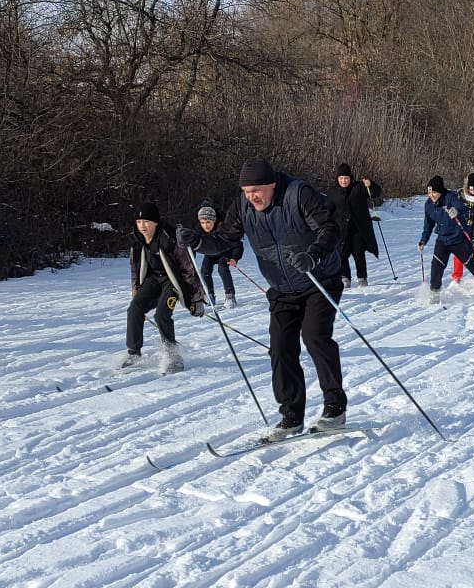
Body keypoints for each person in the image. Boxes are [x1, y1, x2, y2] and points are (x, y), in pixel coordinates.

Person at [177, 156, 347, 440]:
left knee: (315, 337)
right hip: (281, 287)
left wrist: (313, 255)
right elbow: (223, 239)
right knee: (280, 347)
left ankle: (334, 408)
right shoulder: (243, 206)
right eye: (246, 191)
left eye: (256, 191)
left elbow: (329, 228)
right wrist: (197, 241)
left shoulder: (298, 194)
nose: (251, 197)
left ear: (272, 185)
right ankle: (291, 416)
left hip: (319, 278)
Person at [124, 202, 206, 374]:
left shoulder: (169, 237)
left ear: (155, 222)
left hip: (172, 282)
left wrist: (196, 298)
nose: (142, 226)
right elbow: (134, 269)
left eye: (146, 222)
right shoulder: (136, 241)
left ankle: (173, 357)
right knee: (134, 310)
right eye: (139, 222)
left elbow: (188, 269)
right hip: (152, 280)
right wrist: (136, 293)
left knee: (161, 314)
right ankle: (133, 354)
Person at [418, 175, 474, 304]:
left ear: (440, 191)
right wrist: (423, 240)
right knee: (436, 267)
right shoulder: (429, 205)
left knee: (471, 263)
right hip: (442, 240)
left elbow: (463, 207)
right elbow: (428, 225)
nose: (431, 195)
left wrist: (456, 211)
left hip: (458, 238)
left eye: (434, 192)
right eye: (429, 192)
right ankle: (435, 291)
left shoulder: (450, 197)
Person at [329, 162, 382, 288]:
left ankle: (362, 277)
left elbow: (375, 193)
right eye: (341, 178)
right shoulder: (333, 191)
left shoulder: (359, 187)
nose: (343, 180)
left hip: (358, 227)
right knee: (341, 253)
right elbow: (328, 208)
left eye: (346, 178)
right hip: (341, 228)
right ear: (337, 179)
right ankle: (345, 277)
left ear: (350, 178)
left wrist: (371, 185)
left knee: (358, 252)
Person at [195, 200, 243, 308]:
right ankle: (209, 295)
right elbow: (194, 246)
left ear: (214, 221)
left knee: (222, 268)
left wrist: (235, 258)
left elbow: (237, 244)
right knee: (204, 270)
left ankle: (230, 296)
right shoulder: (199, 231)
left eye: (208, 222)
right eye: (202, 222)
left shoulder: (223, 228)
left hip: (225, 252)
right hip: (211, 254)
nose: (205, 225)